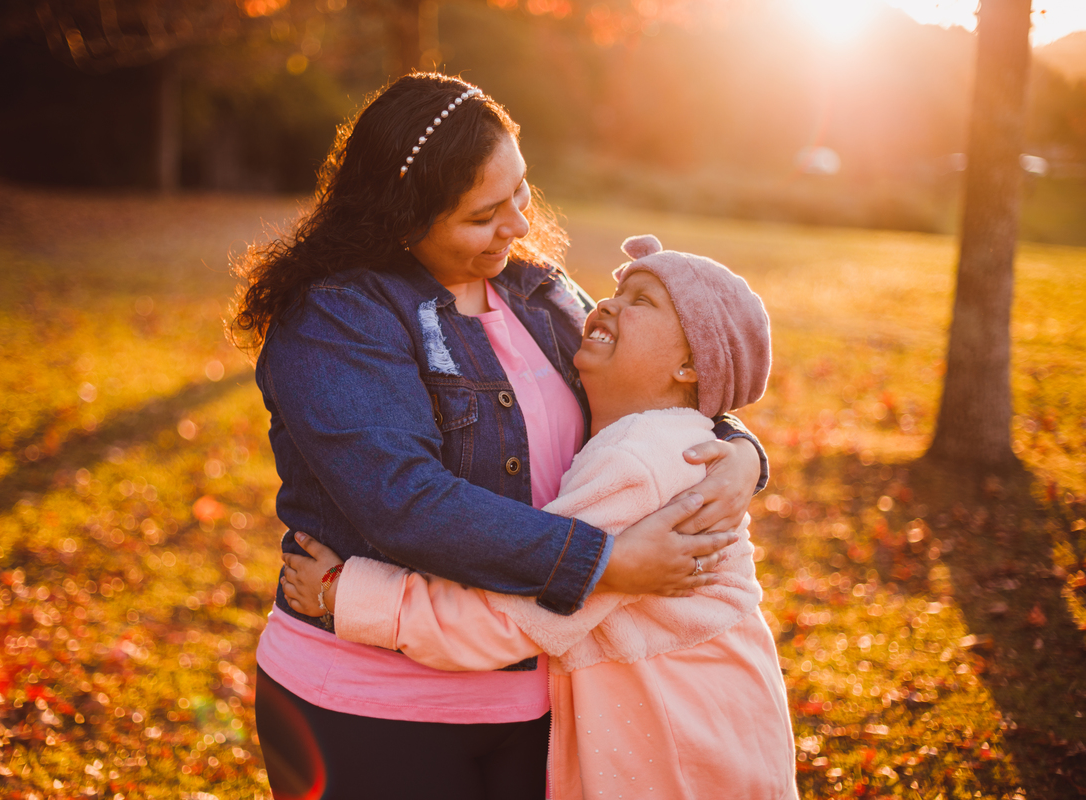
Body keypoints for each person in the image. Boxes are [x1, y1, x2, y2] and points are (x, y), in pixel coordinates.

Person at [228, 72, 769, 800]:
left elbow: (661, 381)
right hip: (372, 704)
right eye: (483, 215)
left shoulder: (534, 289)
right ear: (400, 221)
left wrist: (741, 453)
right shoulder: (336, 316)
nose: (516, 225)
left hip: (533, 704)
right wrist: (605, 563)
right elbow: (406, 503)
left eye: (519, 192)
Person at [282, 236, 796, 799]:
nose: (606, 305)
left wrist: (346, 593)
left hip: (676, 748)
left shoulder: (637, 460)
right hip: (710, 728)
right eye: (618, 290)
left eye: (642, 300)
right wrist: (745, 451)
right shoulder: (673, 442)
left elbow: (519, 618)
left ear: (691, 364)